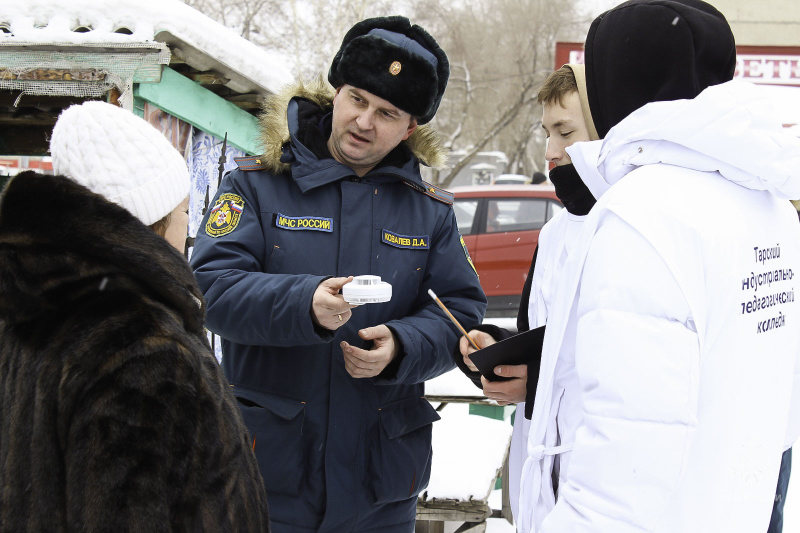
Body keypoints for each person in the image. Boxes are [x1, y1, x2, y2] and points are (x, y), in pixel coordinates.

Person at [189, 16, 487, 533]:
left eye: (387, 112)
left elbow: (459, 315)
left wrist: (401, 345)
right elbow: (210, 289)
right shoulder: (256, 187)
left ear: (410, 128)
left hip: (381, 495)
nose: (364, 121)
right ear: (335, 93)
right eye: (357, 99)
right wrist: (305, 304)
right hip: (268, 484)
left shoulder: (430, 213)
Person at [519, 1, 800, 532]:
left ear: (616, 86)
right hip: (733, 510)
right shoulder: (771, 206)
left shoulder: (642, 213)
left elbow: (628, 451)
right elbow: (780, 407)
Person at [0, 101, 270, 532]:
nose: (188, 225)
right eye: (184, 211)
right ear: (155, 220)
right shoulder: (144, 352)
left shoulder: (27, 312)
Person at [455, 63, 600, 523]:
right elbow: (540, 334)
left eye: (565, 132)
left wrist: (537, 383)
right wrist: (496, 347)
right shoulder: (555, 231)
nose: (550, 152)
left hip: (590, 480)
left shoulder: (631, 230)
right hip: (540, 466)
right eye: (546, 133)